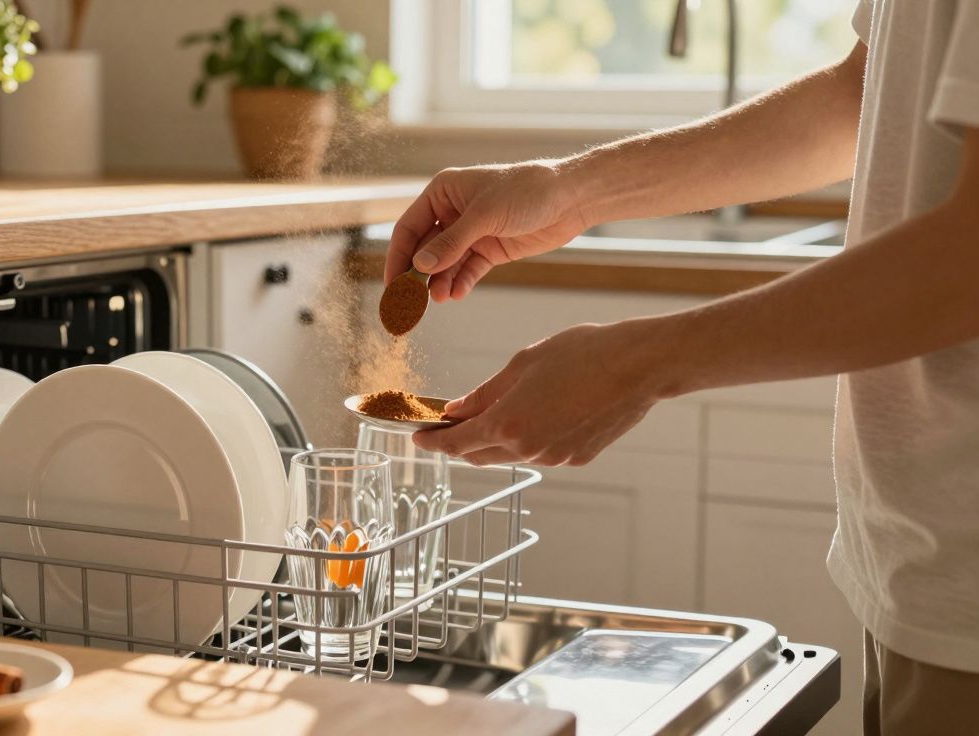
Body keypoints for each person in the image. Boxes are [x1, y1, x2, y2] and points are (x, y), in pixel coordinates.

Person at [386, 2, 979, 733]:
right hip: (916, 559)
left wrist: (634, 366)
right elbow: (864, 94)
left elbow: (969, 258)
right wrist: (568, 189)